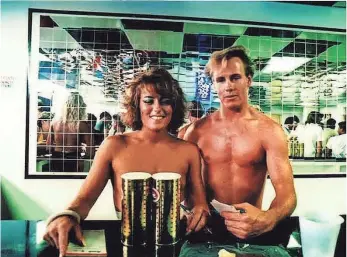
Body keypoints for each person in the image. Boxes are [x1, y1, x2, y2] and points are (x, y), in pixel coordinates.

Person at [43, 68, 209, 257]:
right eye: (148, 101)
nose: (157, 108)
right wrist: (66, 216)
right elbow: (84, 200)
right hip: (127, 244)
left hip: (174, 244)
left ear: (174, 106)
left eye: (165, 101)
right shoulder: (114, 145)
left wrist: (199, 214)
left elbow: (200, 204)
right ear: (136, 105)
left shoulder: (189, 150)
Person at [180, 46, 296, 257]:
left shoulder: (270, 131)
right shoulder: (194, 133)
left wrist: (268, 218)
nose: (229, 86)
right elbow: (183, 186)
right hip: (206, 233)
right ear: (214, 84)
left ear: (248, 80)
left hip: (252, 231)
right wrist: (189, 208)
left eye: (235, 77)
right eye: (221, 80)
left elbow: (287, 195)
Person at [46, 93, 94, 172]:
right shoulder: (82, 125)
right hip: (73, 158)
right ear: (80, 108)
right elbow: (91, 151)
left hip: (56, 158)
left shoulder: (55, 123)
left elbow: (48, 146)